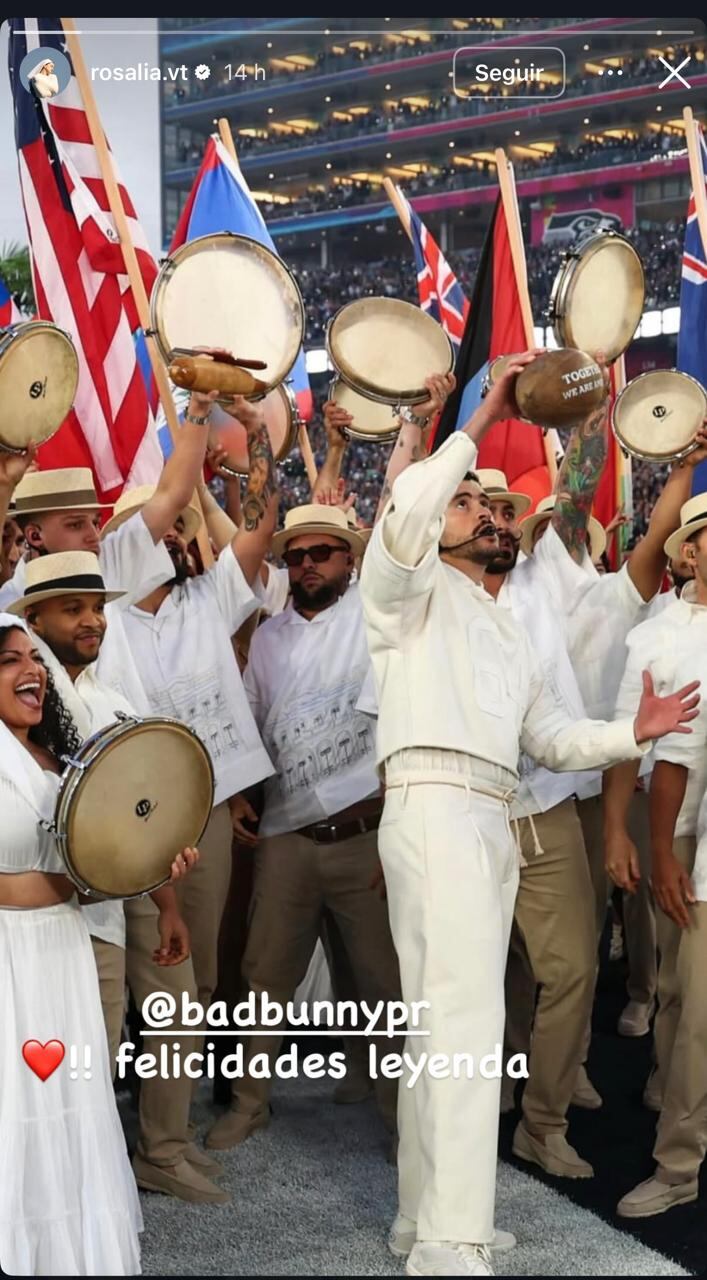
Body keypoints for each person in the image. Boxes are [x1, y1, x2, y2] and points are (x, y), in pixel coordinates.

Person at [358, 351, 699, 1279]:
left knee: (443, 1029)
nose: (488, 514)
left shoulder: (510, 628)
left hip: (492, 815)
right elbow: (407, 514)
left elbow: (550, 737)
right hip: (434, 807)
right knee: (461, 1027)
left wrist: (633, 732)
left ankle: (424, 1223)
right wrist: (477, 421)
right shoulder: (402, 591)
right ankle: (451, 1241)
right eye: (469, 503)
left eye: (497, 507)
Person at [9, 549, 227, 1205]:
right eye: (72, 609)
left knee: (176, 1012)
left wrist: (170, 900)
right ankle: (77, 1189)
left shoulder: (113, 699)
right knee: (91, 1050)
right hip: (65, 907)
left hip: (131, 888)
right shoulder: (25, 700)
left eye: (97, 609)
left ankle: (163, 1150)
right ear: (34, 618)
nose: (92, 621)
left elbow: (142, 809)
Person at [206, 503, 401, 1151]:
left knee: (382, 982)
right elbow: (247, 723)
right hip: (287, 837)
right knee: (264, 976)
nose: (308, 565)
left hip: (366, 833)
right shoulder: (267, 639)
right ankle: (249, 1104)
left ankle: (399, 1116)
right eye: (295, 556)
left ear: (350, 559)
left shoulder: (375, 613)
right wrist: (236, 794)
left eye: (322, 553)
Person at [118, 393, 278, 1027]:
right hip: (132, 812)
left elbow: (259, 529)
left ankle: (183, 1076)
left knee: (200, 967)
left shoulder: (211, 598)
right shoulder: (104, 622)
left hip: (206, 808)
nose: (174, 536)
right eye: (159, 529)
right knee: (151, 973)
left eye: (179, 529)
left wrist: (257, 436)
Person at [0, 612, 142, 1275]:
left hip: (63, 951)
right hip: (9, 961)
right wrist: (72, 882)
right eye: (9, 661)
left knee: (66, 1104)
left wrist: (153, 860)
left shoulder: (59, 760)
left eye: (34, 659)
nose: (32, 670)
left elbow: (92, 873)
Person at [609, 494, 707, 1217]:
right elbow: (660, 750)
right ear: (689, 552)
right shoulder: (659, 633)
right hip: (679, 829)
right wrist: (631, 834)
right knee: (686, 998)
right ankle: (678, 1156)